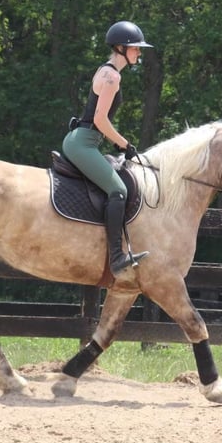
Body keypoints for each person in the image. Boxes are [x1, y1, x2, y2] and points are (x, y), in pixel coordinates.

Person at [62, 20, 153, 276]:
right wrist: (125, 144)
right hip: (83, 143)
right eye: (136, 48)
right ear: (121, 47)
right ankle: (116, 257)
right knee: (118, 189)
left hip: (82, 139)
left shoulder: (105, 71)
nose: (139, 52)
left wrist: (118, 143)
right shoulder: (112, 76)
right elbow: (101, 120)